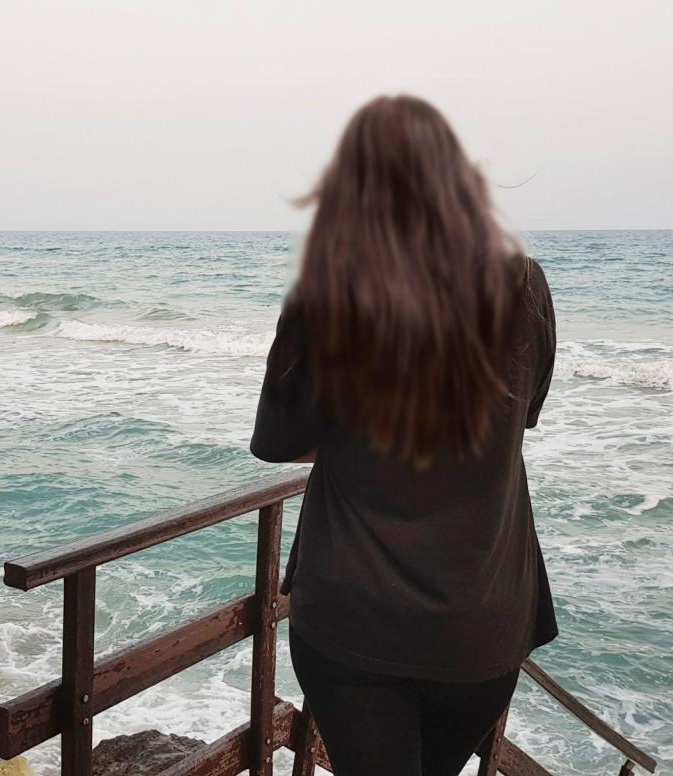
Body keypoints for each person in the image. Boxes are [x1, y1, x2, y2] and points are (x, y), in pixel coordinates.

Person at [249, 95, 558, 776]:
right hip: (482, 621)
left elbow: (275, 441)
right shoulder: (523, 285)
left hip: (356, 619)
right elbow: (519, 418)